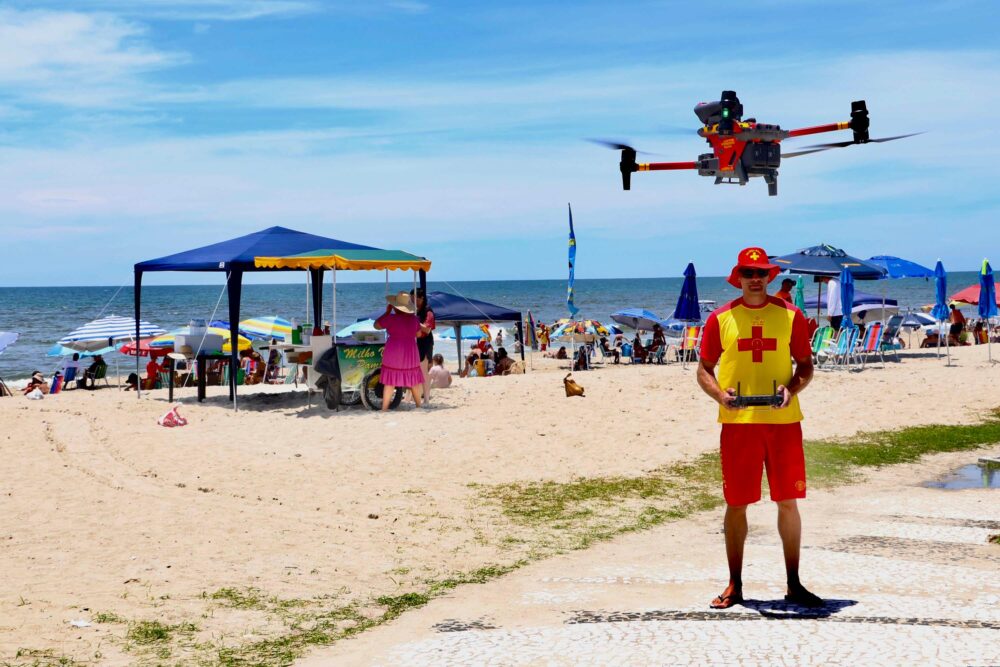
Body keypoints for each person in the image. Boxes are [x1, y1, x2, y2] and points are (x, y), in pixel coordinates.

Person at [696, 246, 820, 610]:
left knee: (788, 502)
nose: (755, 280)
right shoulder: (720, 318)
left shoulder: (791, 315)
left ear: (770, 277)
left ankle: (794, 583)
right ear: (739, 278)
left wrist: (791, 388)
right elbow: (704, 368)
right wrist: (720, 394)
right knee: (736, 503)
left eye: (761, 274)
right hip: (739, 425)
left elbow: (806, 365)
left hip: (783, 423)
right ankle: (734, 584)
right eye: (749, 274)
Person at [374, 291, 424, 410]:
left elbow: (376, 325)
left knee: (390, 381)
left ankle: (384, 408)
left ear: (395, 307)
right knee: (413, 380)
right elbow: (418, 334)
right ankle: (418, 405)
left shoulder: (390, 318)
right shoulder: (414, 319)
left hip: (393, 351)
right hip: (410, 351)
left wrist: (386, 312)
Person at [411, 288, 436, 401]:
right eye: (411, 298)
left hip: (425, 342)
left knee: (423, 371)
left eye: (414, 298)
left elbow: (427, 329)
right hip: (415, 341)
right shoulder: (414, 310)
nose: (412, 301)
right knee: (413, 370)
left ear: (421, 298)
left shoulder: (428, 311)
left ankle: (426, 399)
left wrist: (414, 321)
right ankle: (410, 397)